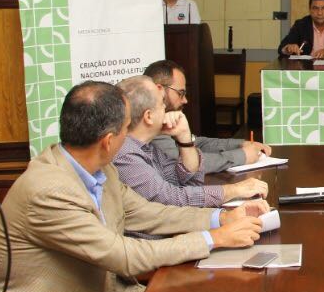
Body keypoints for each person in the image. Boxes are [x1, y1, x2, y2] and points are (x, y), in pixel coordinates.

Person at [0, 81, 267, 292]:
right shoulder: (49, 190)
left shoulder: (94, 168)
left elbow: (146, 213)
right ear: (109, 141)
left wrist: (218, 219)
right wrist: (213, 238)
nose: (130, 139)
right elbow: (123, 255)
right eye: (126, 129)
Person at [114, 75, 268, 209]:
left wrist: (185, 139)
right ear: (148, 116)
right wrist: (233, 190)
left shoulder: (148, 147)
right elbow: (170, 198)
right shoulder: (124, 154)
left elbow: (190, 181)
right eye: (162, 103)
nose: (166, 109)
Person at [144, 59, 270, 174]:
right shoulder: (151, 122)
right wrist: (242, 156)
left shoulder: (166, 118)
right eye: (180, 93)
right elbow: (185, 165)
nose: (185, 100)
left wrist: (241, 144)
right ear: (159, 89)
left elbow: (196, 143)